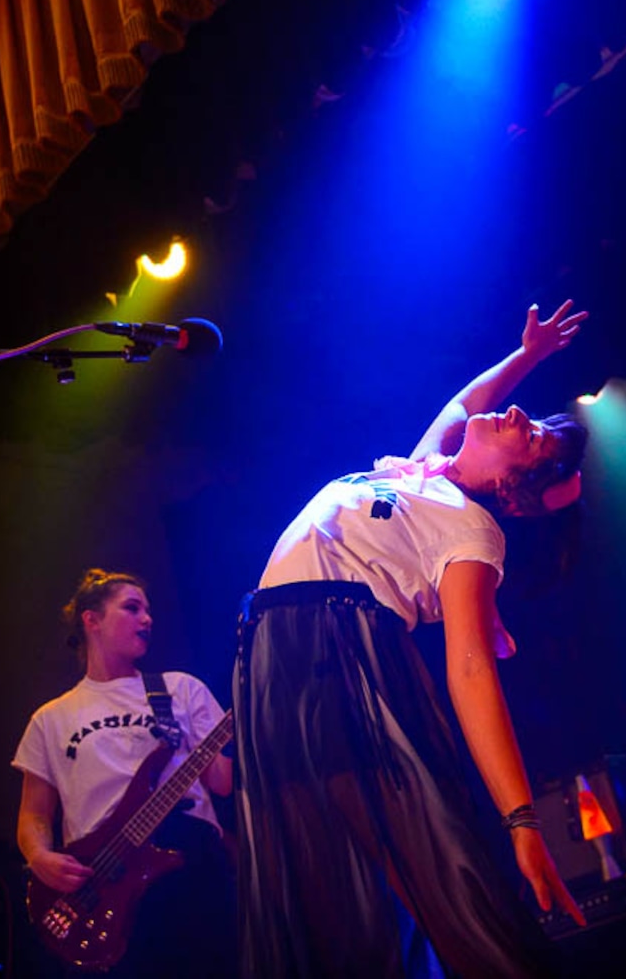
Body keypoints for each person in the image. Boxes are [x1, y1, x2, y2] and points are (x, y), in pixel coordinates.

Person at [233, 300, 590, 979]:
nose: (519, 416)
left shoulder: (472, 531)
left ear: (513, 493)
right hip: (272, 649)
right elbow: (467, 399)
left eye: (533, 439)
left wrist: (523, 821)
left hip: (344, 652)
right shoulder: (422, 473)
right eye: (532, 416)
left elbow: (470, 667)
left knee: (429, 876)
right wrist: (530, 356)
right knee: (316, 897)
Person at [13, 568, 237, 979]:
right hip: (103, 881)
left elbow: (222, 782)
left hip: (187, 865)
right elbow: (34, 814)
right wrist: (39, 856)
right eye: (132, 608)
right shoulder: (50, 718)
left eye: (149, 611)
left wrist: (253, 724)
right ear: (91, 619)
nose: (147, 619)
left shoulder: (180, 689)